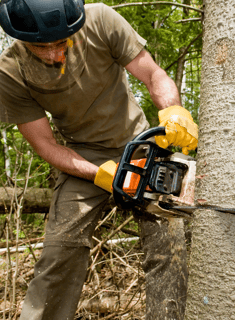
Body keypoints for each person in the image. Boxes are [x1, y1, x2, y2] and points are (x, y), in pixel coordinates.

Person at [0, 0, 198, 319]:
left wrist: (173, 111)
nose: (53, 54)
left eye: (60, 42)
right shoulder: (9, 72)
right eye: (41, 46)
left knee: (169, 243)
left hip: (139, 145)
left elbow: (153, 74)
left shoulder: (102, 20)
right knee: (61, 247)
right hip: (80, 157)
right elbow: (46, 146)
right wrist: (98, 174)